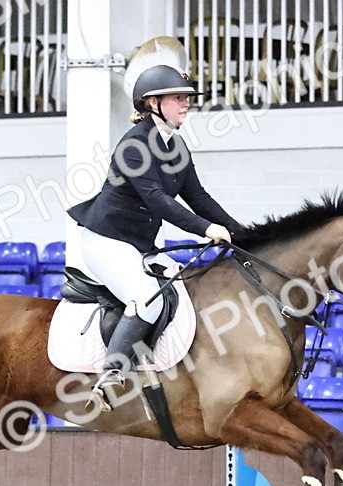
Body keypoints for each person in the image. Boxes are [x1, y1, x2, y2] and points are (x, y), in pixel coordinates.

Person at [67, 63, 244, 411]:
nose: (186, 104)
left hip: (142, 247)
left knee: (183, 289)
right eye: (178, 98)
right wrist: (206, 229)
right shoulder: (134, 146)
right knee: (147, 298)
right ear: (152, 103)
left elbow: (199, 198)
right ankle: (111, 372)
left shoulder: (176, 147)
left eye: (186, 98)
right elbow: (158, 202)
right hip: (107, 242)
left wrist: (242, 233)